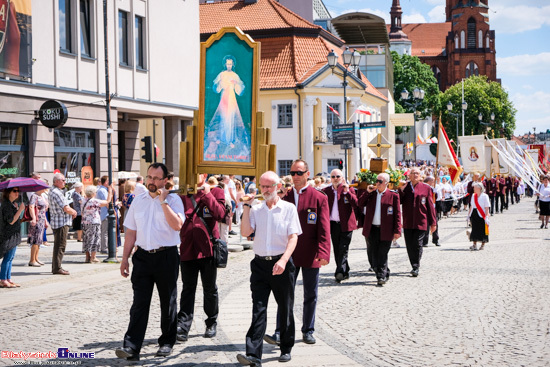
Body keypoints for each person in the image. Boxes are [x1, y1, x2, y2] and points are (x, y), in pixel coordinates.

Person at [116, 163, 185, 361]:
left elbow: (177, 225)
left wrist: (163, 202)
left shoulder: (174, 200)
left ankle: (166, 342)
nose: (152, 182)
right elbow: (131, 232)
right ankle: (131, 346)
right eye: (149, 177)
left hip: (166, 256)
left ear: (165, 180)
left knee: (168, 302)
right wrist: (125, 259)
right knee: (139, 303)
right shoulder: (138, 200)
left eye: (156, 178)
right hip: (143, 257)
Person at [237, 171, 301, 366]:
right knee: (258, 308)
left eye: (269, 186)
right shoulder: (256, 209)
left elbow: (293, 237)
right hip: (259, 265)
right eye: (262, 187)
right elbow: (246, 232)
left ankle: (286, 347)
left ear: (278, 187)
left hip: (282, 262)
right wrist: (246, 206)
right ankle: (253, 355)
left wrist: (283, 260)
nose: (265, 190)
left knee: (286, 307)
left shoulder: (288, 208)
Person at [264, 159, 330, 346]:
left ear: (307, 174)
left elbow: (324, 228)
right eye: (292, 173)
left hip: (310, 253)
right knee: (284, 293)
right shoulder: (284, 197)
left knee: (311, 294)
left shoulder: (319, 197)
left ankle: (308, 329)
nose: (295, 177)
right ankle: (279, 331)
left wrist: (324, 252)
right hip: (287, 253)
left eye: (299, 173)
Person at [176, 173, 226, 343]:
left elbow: (221, 215)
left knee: (210, 288)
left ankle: (211, 321)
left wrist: (207, 194)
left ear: (204, 174)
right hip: (188, 248)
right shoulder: (183, 193)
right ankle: (183, 325)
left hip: (208, 249)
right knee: (187, 289)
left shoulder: (216, 192)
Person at [358, 173, 402, 286]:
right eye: (376, 180)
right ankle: (384, 271)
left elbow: (397, 214)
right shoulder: (371, 194)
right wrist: (367, 192)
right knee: (374, 253)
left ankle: (381, 276)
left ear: (386, 183)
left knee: (382, 253)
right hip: (372, 229)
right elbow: (359, 203)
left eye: (380, 181)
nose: (377, 183)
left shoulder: (393, 195)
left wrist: (397, 231)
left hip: (386, 229)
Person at [398, 167, 437, 277]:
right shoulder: (405, 187)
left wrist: (433, 223)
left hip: (421, 221)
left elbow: (430, 206)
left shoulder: (426, 188)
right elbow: (398, 202)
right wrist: (401, 190)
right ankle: (413, 263)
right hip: (408, 221)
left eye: (417, 173)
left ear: (420, 175)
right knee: (410, 245)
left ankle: (416, 266)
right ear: (409, 175)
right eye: (413, 173)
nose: (415, 175)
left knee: (418, 244)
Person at [322, 169, 358, 282]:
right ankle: (345, 270)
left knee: (343, 248)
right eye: (333, 177)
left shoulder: (348, 189)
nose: (335, 178)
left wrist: (347, 192)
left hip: (346, 224)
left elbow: (356, 204)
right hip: (333, 224)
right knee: (337, 248)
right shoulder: (326, 191)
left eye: (338, 176)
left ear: (342, 178)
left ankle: (339, 271)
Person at [49, 173, 77, 275]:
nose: (65, 182)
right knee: (60, 245)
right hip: (61, 222)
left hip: (59, 221)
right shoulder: (56, 192)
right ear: (57, 181)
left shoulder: (55, 191)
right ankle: (57, 268)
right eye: (63, 180)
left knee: (58, 245)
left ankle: (56, 266)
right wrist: (74, 212)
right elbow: (65, 207)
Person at [81, 184, 113, 263]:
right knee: (94, 239)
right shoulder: (94, 201)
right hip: (94, 222)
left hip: (85, 222)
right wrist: (110, 192)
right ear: (93, 193)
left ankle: (87, 257)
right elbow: (107, 201)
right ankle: (93, 257)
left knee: (86, 239)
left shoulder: (83, 200)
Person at [0, 187, 25, 288]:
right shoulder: (6, 205)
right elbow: (11, 221)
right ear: (8, 192)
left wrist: (16, 209)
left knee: (11, 257)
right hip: (8, 235)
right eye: (14, 191)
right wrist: (20, 210)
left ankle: (8, 278)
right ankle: (3, 279)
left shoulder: (10, 204)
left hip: (13, 235)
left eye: (18, 191)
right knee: (7, 258)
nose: (17, 193)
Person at [28, 188, 49, 267]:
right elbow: (31, 207)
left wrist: (45, 221)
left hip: (41, 220)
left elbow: (44, 210)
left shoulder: (42, 196)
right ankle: (32, 260)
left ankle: (36, 258)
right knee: (35, 240)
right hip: (37, 220)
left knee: (39, 240)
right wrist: (33, 218)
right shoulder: (34, 196)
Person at [467, 183, 490, 250]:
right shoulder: (473, 196)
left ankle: (482, 244)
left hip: (481, 215)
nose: (473, 189)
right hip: (474, 214)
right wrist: (468, 215)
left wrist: (487, 217)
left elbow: (487, 207)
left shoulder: (485, 196)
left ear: (479, 188)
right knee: (474, 229)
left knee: (482, 230)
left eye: (474, 187)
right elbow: (471, 206)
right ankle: (474, 244)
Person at [422, 176, 440, 247]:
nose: (433, 183)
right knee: (426, 225)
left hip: (433, 207)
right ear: (429, 181)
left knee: (435, 223)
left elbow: (436, 198)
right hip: (426, 208)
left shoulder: (432, 188)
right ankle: (425, 241)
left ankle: (436, 239)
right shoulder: (424, 187)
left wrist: (435, 193)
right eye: (432, 181)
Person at [96, 176, 110, 253]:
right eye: (108, 180)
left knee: (104, 232)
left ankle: (104, 247)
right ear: (105, 182)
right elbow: (106, 202)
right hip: (104, 214)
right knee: (104, 232)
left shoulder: (103, 190)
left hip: (104, 213)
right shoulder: (102, 190)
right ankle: (104, 248)